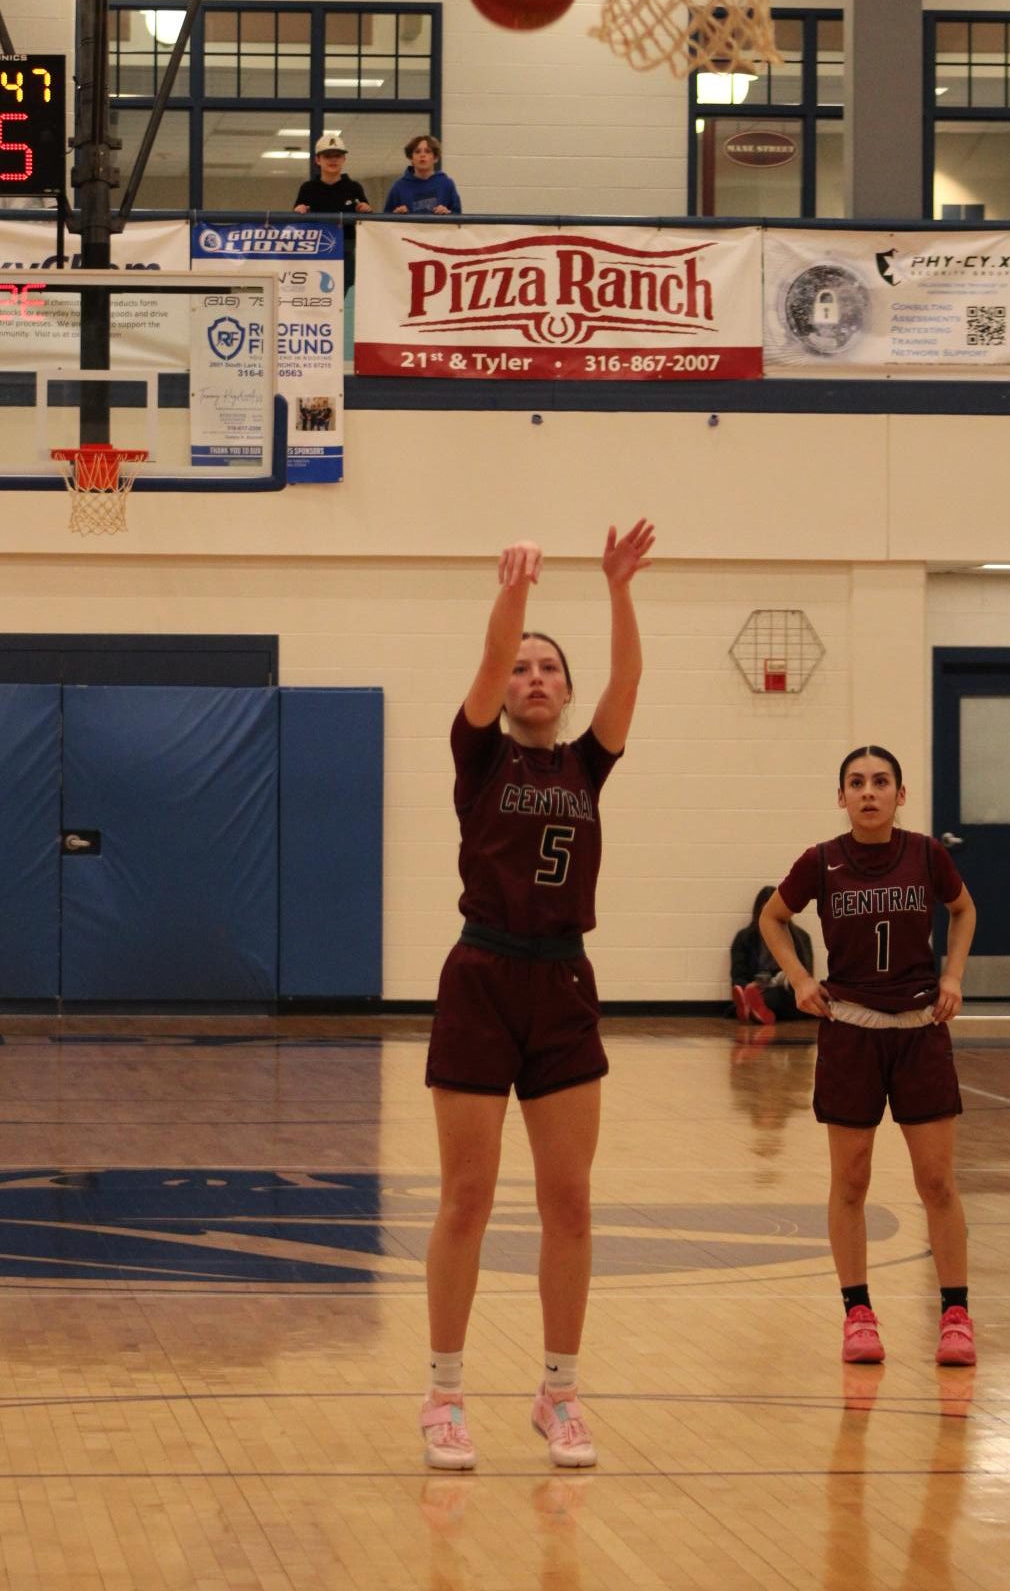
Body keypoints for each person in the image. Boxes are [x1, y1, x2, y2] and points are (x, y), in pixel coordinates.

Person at [420, 519, 655, 1474]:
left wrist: (617, 588)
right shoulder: (479, 755)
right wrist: (512, 597)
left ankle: (559, 1392)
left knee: (570, 1200)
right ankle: (444, 1394)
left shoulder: (586, 762)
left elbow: (627, 686)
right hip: (480, 977)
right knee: (467, 1197)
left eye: (548, 667)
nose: (533, 676)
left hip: (562, 979)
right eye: (523, 667)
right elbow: (486, 661)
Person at [758, 745, 977, 1370]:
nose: (869, 792)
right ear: (842, 796)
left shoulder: (927, 855)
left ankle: (955, 1315)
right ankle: (858, 1313)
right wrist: (800, 979)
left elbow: (963, 910)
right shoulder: (822, 862)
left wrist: (954, 976)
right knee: (850, 1180)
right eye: (857, 783)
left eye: (881, 782)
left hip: (919, 1031)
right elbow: (774, 919)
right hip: (850, 1033)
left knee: (935, 1180)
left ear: (900, 795)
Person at [292, 130, 371, 288]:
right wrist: (298, 211)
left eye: (337, 156)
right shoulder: (308, 188)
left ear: (344, 159)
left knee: (342, 300)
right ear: (318, 160)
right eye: (328, 156)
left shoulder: (354, 188)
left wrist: (366, 210)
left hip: (346, 252)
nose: (333, 160)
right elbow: (297, 219)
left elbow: (367, 219)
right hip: (315, 253)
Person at [730, 885, 814, 1023]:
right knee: (750, 994)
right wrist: (752, 986)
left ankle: (754, 1009)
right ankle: (754, 1007)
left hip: (785, 992)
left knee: (778, 997)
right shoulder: (744, 938)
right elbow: (737, 976)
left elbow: (806, 976)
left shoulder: (801, 937)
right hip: (753, 989)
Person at [386, 134, 462, 215]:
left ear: (435, 158)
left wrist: (447, 213)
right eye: (417, 151)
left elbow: (458, 219)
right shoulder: (398, 187)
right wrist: (396, 215)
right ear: (411, 158)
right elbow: (385, 220)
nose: (422, 155)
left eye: (427, 151)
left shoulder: (446, 184)